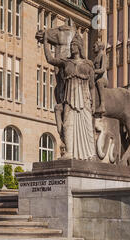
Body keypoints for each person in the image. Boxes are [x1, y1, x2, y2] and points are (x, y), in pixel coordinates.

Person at [43, 31, 97, 160]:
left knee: (87, 127)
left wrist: (94, 103)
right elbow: (50, 60)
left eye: (74, 45)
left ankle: (90, 153)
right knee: (68, 124)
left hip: (84, 99)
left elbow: (92, 86)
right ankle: (69, 152)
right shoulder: (66, 62)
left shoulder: (88, 64)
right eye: (71, 45)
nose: (72, 47)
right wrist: (45, 42)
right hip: (70, 98)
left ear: (79, 47)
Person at [93, 41, 108, 117]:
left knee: (99, 82)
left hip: (103, 79)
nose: (93, 48)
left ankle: (102, 105)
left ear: (99, 46)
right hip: (95, 78)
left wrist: (93, 71)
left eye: (94, 46)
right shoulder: (95, 58)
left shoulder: (103, 56)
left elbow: (102, 69)